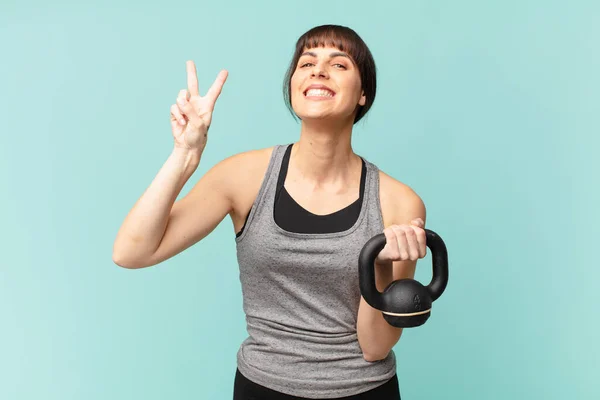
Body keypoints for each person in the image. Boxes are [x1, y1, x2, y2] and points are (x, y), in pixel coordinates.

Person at [113, 24, 428, 400]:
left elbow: (375, 348)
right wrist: (185, 155)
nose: (318, 70)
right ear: (293, 83)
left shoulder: (398, 202)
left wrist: (380, 265)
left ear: (363, 94)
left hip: (363, 390)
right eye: (306, 62)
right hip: (261, 388)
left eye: (339, 64)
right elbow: (131, 252)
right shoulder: (243, 177)